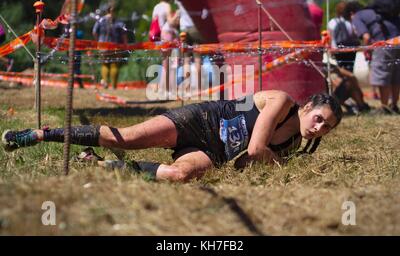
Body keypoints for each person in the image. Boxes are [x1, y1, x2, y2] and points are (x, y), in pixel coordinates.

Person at [2, 90, 342, 182]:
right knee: (128, 139)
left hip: (214, 152)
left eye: (326, 128)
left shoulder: (295, 143)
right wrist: (274, 161)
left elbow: (244, 166)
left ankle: (99, 165)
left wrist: (272, 159)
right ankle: (39, 134)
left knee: (179, 175)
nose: (318, 128)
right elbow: (255, 149)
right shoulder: (282, 101)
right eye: (319, 119)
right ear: (308, 104)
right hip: (200, 120)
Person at [351, 0, 400, 114]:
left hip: (382, 46)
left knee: (382, 74)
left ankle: (384, 107)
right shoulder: (387, 13)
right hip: (398, 42)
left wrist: (367, 51)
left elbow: (366, 37)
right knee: (395, 76)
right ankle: (394, 105)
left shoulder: (357, 16)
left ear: (351, 13)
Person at [150, 0, 180, 93]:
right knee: (171, 62)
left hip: (158, 36)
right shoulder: (167, 6)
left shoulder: (156, 7)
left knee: (164, 62)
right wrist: (177, 14)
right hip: (167, 34)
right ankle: (167, 87)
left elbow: (154, 22)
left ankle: (163, 87)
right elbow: (170, 22)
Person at [92, 5, 128, 89]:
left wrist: (98, 41)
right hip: (115, 46)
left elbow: (94, 32)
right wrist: (125, 45)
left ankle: (105, 83)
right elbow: (124, 35)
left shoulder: (100, 20)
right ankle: (114, 86)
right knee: (114, 65)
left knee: (105, 64)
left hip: (103, 46)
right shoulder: (119, 22)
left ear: (106, 11)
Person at [328, 1, 360, 72]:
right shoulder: (351, 22)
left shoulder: (332, 22)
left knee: (340, 68)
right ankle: (350, 81)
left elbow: (329, 37)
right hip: (350, 49)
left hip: (337, 49)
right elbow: (355, 35)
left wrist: (330, 49)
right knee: (350, 69)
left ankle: (343, 81)